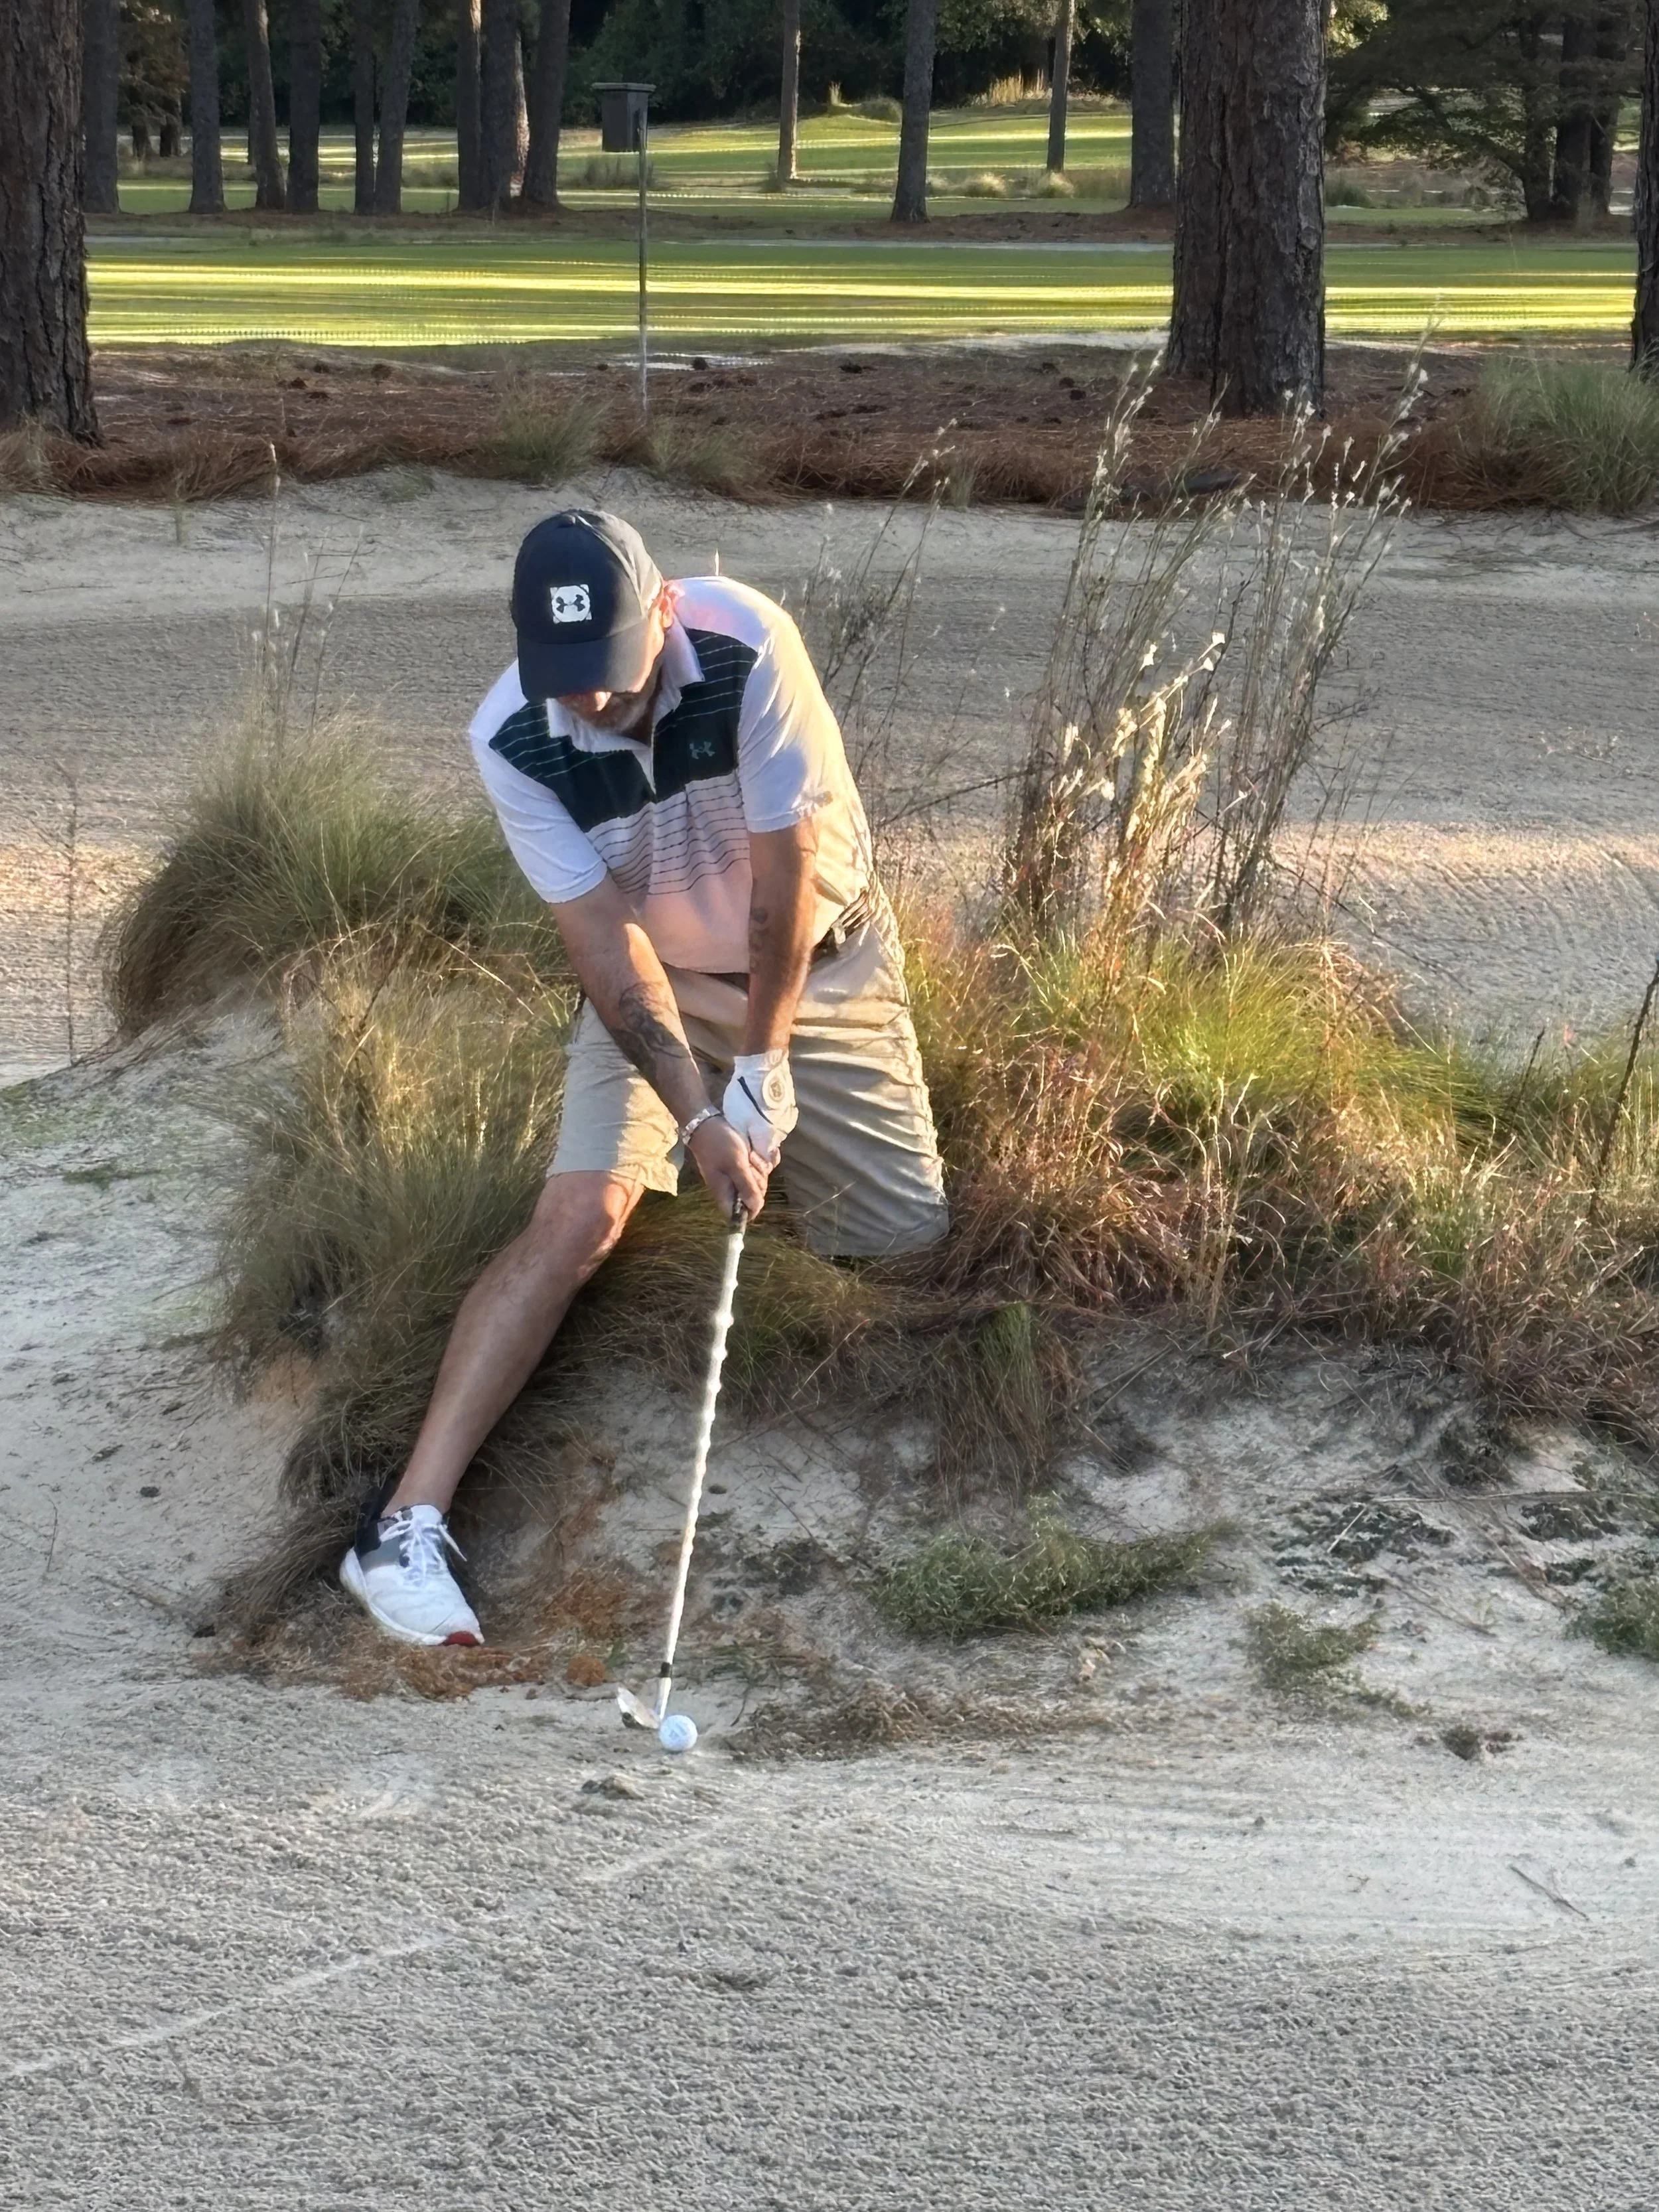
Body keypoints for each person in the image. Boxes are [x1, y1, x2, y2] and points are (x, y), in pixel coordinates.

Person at [341, 510, 949, 1646]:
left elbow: (785, 890)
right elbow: (606, 945)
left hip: (818, 963)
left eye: (609, 680)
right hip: (660, 981)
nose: (591, 704)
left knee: (900, 1241)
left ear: (663, 610)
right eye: (566, 682)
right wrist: (696, 1114)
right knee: (581, 1213)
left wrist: (760, 1074)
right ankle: (401, 1529)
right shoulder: (512, 737)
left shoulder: (748, 649)